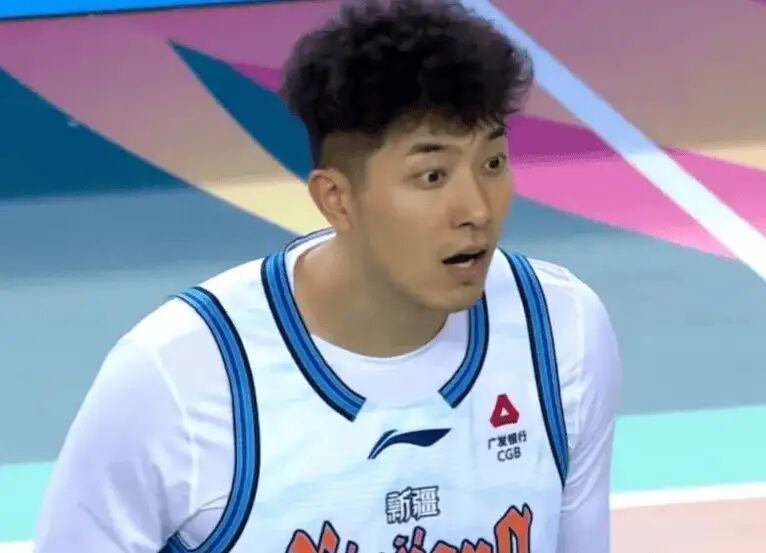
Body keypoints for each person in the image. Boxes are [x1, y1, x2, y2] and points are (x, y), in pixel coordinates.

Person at [35, 1, 621, 551]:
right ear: (337, 200)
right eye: (432, 176)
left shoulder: (561, 333)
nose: (477, 209)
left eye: (492, 163)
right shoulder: (178, 378)